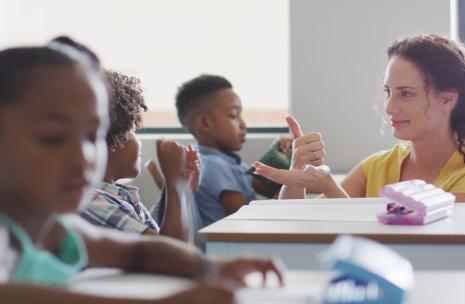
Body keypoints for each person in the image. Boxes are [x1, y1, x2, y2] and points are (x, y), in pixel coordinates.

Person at [0, 37, 282, 303]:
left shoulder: (57, 226)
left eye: (93, 136)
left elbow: (139, 252)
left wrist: (209, 267)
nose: (82, 158)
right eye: (52, 137)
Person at [254, 34, 465, 203]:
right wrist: (297, 170)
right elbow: (298, 227)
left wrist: (331, 188)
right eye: (388, 93)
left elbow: (404, 256)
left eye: (405, 94)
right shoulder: (376, 167)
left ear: (448, 100)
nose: (390, 107)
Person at [175, 75, 315, 226]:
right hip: (233, 246)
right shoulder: (214, 166)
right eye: (233, 115)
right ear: (205, 124)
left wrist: (285, 156)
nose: (243, 124)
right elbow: (248, 218)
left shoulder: (228, 161)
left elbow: (265, 187)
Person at [81, 70, 199, 241]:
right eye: (133, 130)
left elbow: (159, 238)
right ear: (109, 139)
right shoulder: (93, 202)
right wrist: (174, 186)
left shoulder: (119, 196)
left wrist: (181, 192)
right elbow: (167, 255)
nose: (139, 141)